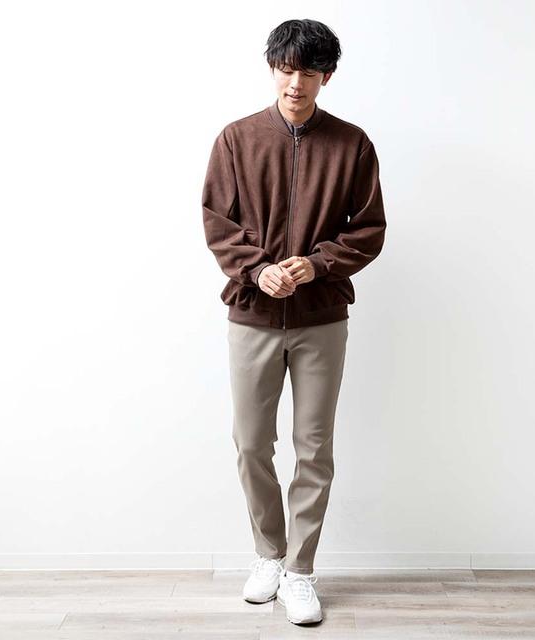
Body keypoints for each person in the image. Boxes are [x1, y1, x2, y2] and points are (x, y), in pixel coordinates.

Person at [201, 18, 386, 625]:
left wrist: (316, 265)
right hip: (252, 317)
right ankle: (268, 556)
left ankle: (301, 571)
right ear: (272, 69)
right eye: (286, 69)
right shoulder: (237, 139)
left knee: (314, 447)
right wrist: (258, 271)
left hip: (321, 318)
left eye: (309, 71)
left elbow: (368, 229)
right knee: (251, 442)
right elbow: (218, 222)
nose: (295, 83)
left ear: (327, 76)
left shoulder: (352, 144)